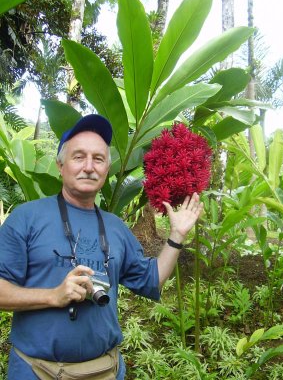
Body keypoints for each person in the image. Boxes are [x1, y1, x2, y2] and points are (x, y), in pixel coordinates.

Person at [0, 114, 203, 379]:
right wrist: (53, 296)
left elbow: (152, 280)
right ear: (60, 166)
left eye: (98, 159)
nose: (88, 167)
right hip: (35, 370)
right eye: (78, 157)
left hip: (105, 370)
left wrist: (176, 236)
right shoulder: (26, 218)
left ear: (107, 170)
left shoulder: (116, 227)